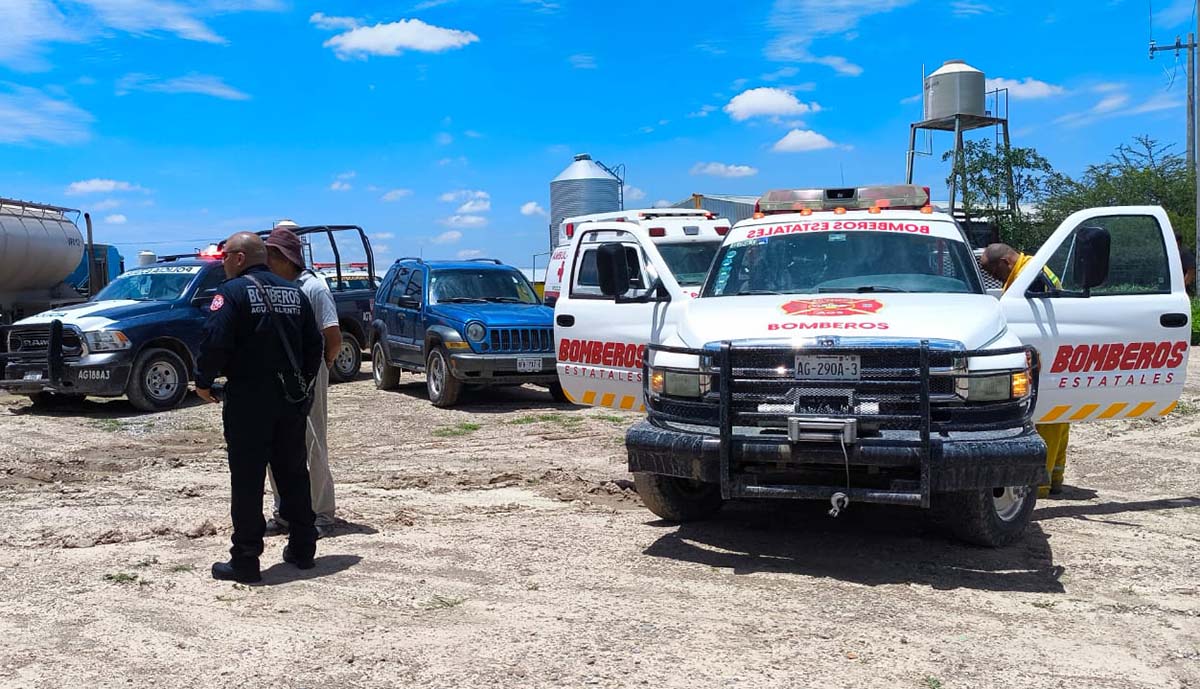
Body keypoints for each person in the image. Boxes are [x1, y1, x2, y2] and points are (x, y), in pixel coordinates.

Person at [195, 232, 324, 583]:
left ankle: (246, 560)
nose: (222, 262)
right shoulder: (294, 293)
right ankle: (303, 548)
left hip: (249, 399)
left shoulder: (232, 293)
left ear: (239, 258)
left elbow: (215, 341)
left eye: (225, 256)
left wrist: (203, 381)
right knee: (293, 472)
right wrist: (302, 383)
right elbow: (314, 345)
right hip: (290, 399)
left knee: (248, 479)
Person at [264, 224, 340, 536]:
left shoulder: (314, 288)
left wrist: (321, 368)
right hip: (278, 374)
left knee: (312, 441)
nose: (265, 262)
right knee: (276, 444)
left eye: (269, 256)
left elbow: (332, 336)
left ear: (284, 257)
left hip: (308, 372)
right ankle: (284, 511)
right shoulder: (272, 287)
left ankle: (321, 514)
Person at [980, 243, 1068, 497]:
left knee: (1048, 419)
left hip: (1045, 354)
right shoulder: (1030, 271)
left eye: (994, 273)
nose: (995, 278)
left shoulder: (1033, 276)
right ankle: (1055, 478)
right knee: (1057, 419)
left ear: (1006, 263)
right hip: (1047, 352)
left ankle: (1041, 484)